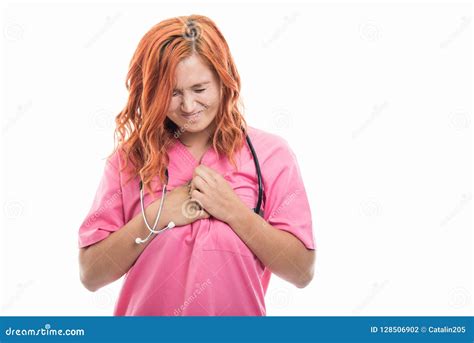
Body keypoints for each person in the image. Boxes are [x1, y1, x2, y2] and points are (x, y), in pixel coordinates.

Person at [78, 14, 316, 316]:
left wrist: (232, 211)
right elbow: (91, 274)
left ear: (223, 79)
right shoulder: (129, 160)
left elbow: (301, 271)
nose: (188, 106)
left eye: (200, 89)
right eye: (172, 94)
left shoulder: (271, 155)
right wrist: (157, 215)